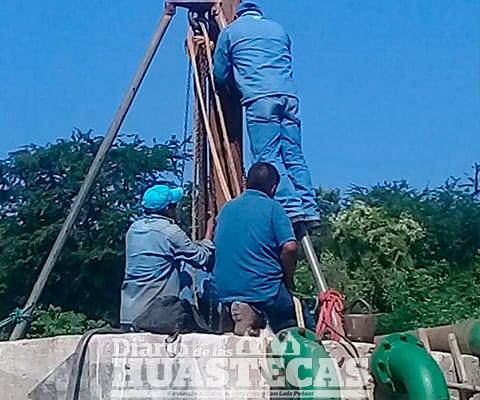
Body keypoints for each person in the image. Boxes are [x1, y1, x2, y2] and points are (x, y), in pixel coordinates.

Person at [213, 0, 320, 225]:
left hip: (260, 98)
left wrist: (232, 87)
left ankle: (291, 208)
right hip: (289, 98)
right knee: (294, 155)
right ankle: (309, 208)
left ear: (238, 14)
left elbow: (220, 74)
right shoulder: (279, 30)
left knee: (267, 156)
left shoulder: (231, 32)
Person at [213, 162, 301, 334]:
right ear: (273, 188)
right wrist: (288, 278)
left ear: (246, 182)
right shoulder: (273, 208)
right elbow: (290, 247)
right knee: (296, 318)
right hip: (263, 289)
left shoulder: (226, 209)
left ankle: (250, 315)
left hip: (224, 290)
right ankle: (254, 314)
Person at [120, 184, 215, 334]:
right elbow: (201, 258)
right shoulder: (170, 231)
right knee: (187, 271)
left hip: (129, 315)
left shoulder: (134, 229)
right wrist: (209, 234)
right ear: (167, 210)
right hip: (155, 317)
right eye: (173, 206)